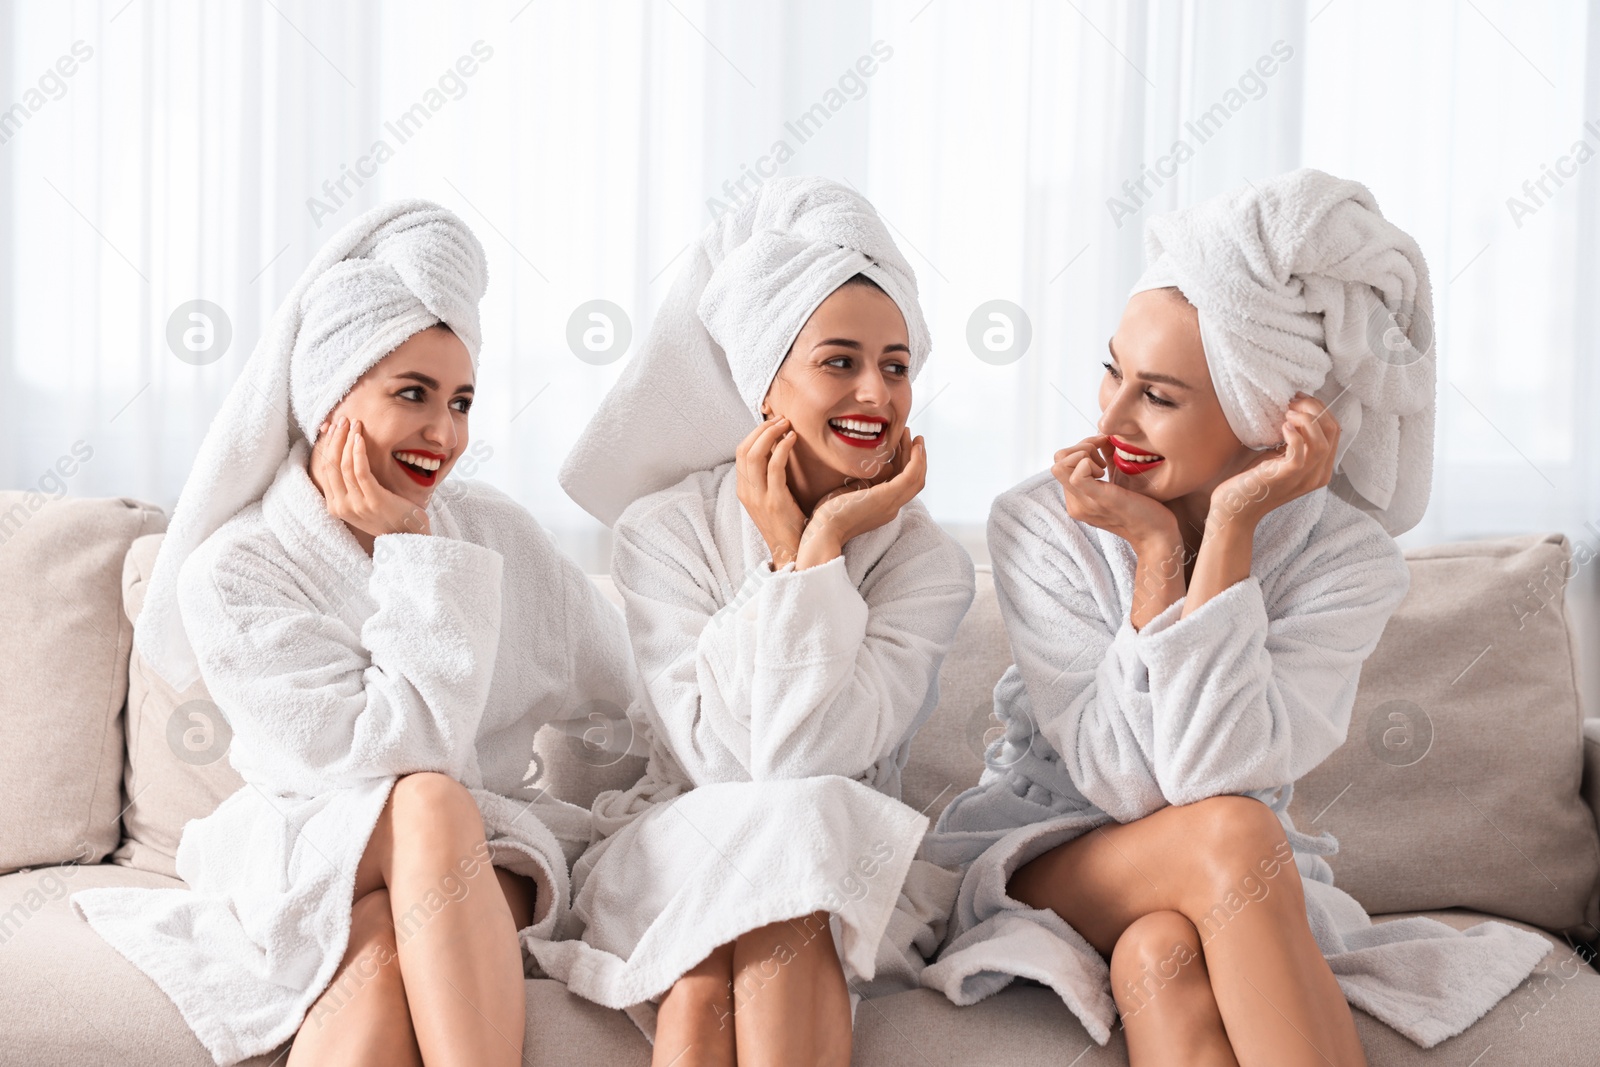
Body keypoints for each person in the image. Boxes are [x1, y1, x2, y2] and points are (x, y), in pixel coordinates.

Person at [921, 169, 1551, 1065]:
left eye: (1161, 395)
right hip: (1046, 858)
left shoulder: (1344, 561)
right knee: (1236, 832)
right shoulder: (1040, 521)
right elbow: (1133, 788)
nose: (1113, 417)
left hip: (1211, 874)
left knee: (1161, 955)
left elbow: (1215, 767)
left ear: (1263, 419)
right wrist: (1151, 560)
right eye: (1112, 372)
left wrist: (1225, 531)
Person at [70, 200, 636, 1067]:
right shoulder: (236, 570)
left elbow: (635, 679)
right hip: (307, 845)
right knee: (424, 803)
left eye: (461, 400)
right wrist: (414, 558)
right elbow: (387, 760)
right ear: (332, 398)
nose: (444, 434)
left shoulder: (494, 533)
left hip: (484, 850)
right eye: (412, 393)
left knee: (382, 933)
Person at [529, 176, 975, 1067]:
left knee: (717, 968)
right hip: (679, 839)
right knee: (733, 933)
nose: (876, 392)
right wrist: (789, 560)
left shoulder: (925, 563)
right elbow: (724, 766)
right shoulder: (663, 532)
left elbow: (808, 766)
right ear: (767, 386)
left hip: (836, 847)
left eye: (896, 366)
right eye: (839, 361)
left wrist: (812, 553)